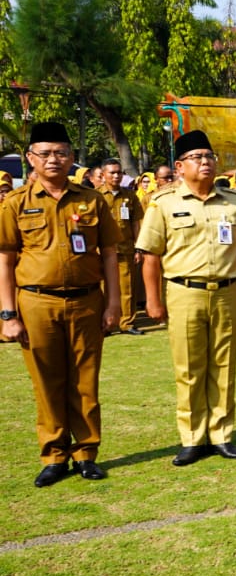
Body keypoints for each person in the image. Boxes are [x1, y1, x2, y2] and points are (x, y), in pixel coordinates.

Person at [0, 121, 122, 486]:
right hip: (36, 303)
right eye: (45, 153)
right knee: (47, 381)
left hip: (87, 301)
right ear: (30, 158)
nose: (53, 159)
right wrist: (7, 314)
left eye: (61, 153)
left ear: (71, 158)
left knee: (85, 381)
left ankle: (85, 453)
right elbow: (5, 259)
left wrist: (114, 303)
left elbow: (110, 254)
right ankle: (54, 455)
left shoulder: (91, 200)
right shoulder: (16, 203)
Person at [136, 130, 236, 466]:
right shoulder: (164, 203)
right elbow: (150, 255)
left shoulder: (232, 201)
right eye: (197, 157)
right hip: (184, 292)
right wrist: (152, 300)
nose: (205, 162)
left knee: (224, 365)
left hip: (227, 292)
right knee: (189, 368)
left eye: (209, 156)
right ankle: (192, 438)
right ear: (179, 166)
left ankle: (221, 435)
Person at [98, 158, 144, 336]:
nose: (116, 176)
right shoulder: (95, 196)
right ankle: (106, 324)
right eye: (112, 172)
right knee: (104, 288)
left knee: (127, 287)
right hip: (102, 251)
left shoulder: (130, 196)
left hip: (125, 249)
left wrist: (138, 247)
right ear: (103, 175)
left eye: (119, 172)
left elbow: (136, 222)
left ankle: (127, 323)